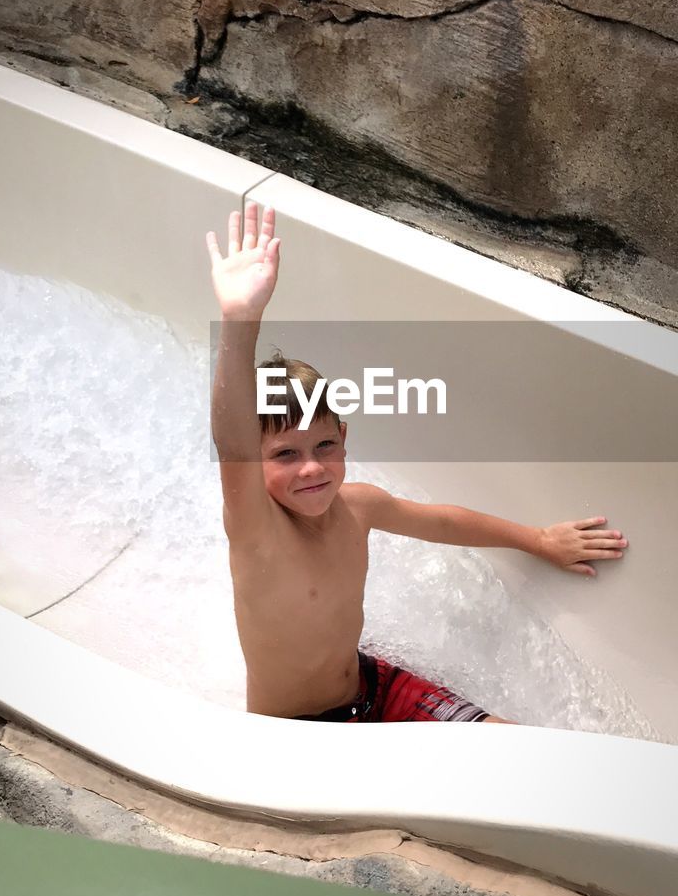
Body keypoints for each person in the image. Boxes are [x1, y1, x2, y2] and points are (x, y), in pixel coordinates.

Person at [206, 203, 628, 724]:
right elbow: (232, 443)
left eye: (324, 447)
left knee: (521, 747)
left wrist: (537, 540)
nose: (311, 469)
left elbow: (441, 521)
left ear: (344, 438)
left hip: (374, 686)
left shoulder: (357, 506)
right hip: (304, 733)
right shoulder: (258, 532)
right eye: (284, 455)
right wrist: (240, 319)